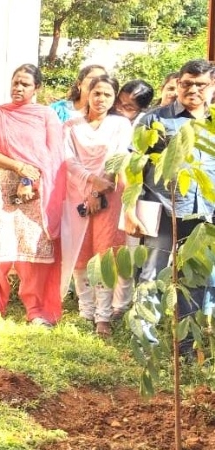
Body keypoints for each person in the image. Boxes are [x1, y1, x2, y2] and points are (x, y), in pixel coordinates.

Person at [0, 64, 65, 326]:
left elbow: (53, 156)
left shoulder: (46, 116)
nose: (18, 88)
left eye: (25, 84)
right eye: (15, 82)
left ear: (37, 88)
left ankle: (35, 310)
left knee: (31, 248)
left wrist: (29, 180)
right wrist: (17, 166)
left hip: (33, 190)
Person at [135, 59, 215, 341]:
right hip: (163, 209)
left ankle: (186, 344)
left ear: (212, 87)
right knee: (153, 274)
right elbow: (134, 166)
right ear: (177, 84)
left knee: (196, 278)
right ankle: (145, 340)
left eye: (200, 84)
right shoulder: (154, 119)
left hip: (204, 215)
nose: (192, 89)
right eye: (186, 83)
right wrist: (129, 209)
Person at [60, 75, 133, 339]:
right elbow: (67, 159)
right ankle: (85, 310)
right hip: (76, 194)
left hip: (109, 193)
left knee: (105, 254)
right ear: (87, 93)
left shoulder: (120, 124)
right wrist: (90, 183)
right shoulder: (71, 124)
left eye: (107, 95)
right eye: (97, 93)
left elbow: (118, 155)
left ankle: (103, 316)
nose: (101, 99)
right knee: (80, 253)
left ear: (114, 99)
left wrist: (99, 188)